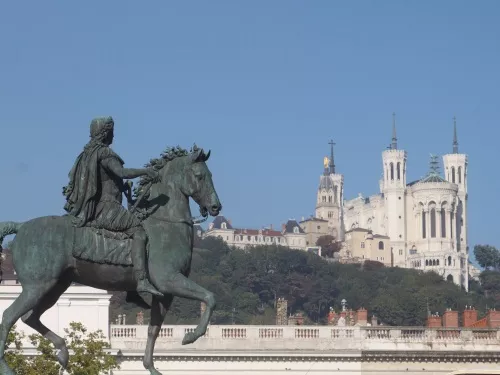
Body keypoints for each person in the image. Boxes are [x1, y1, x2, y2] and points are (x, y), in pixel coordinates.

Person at [63, 116, 163, 297]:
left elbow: (104, 180)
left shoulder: (86, 154)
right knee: (139, 231)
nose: (113, 135)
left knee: (127, 236)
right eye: (112, 131)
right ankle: (140, 281)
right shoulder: (104, 153)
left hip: (93, 208)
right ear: (106, 132)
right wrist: (146, 171)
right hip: (107, 208)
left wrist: (121, 187)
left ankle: (130, 289)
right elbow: (121, 172)